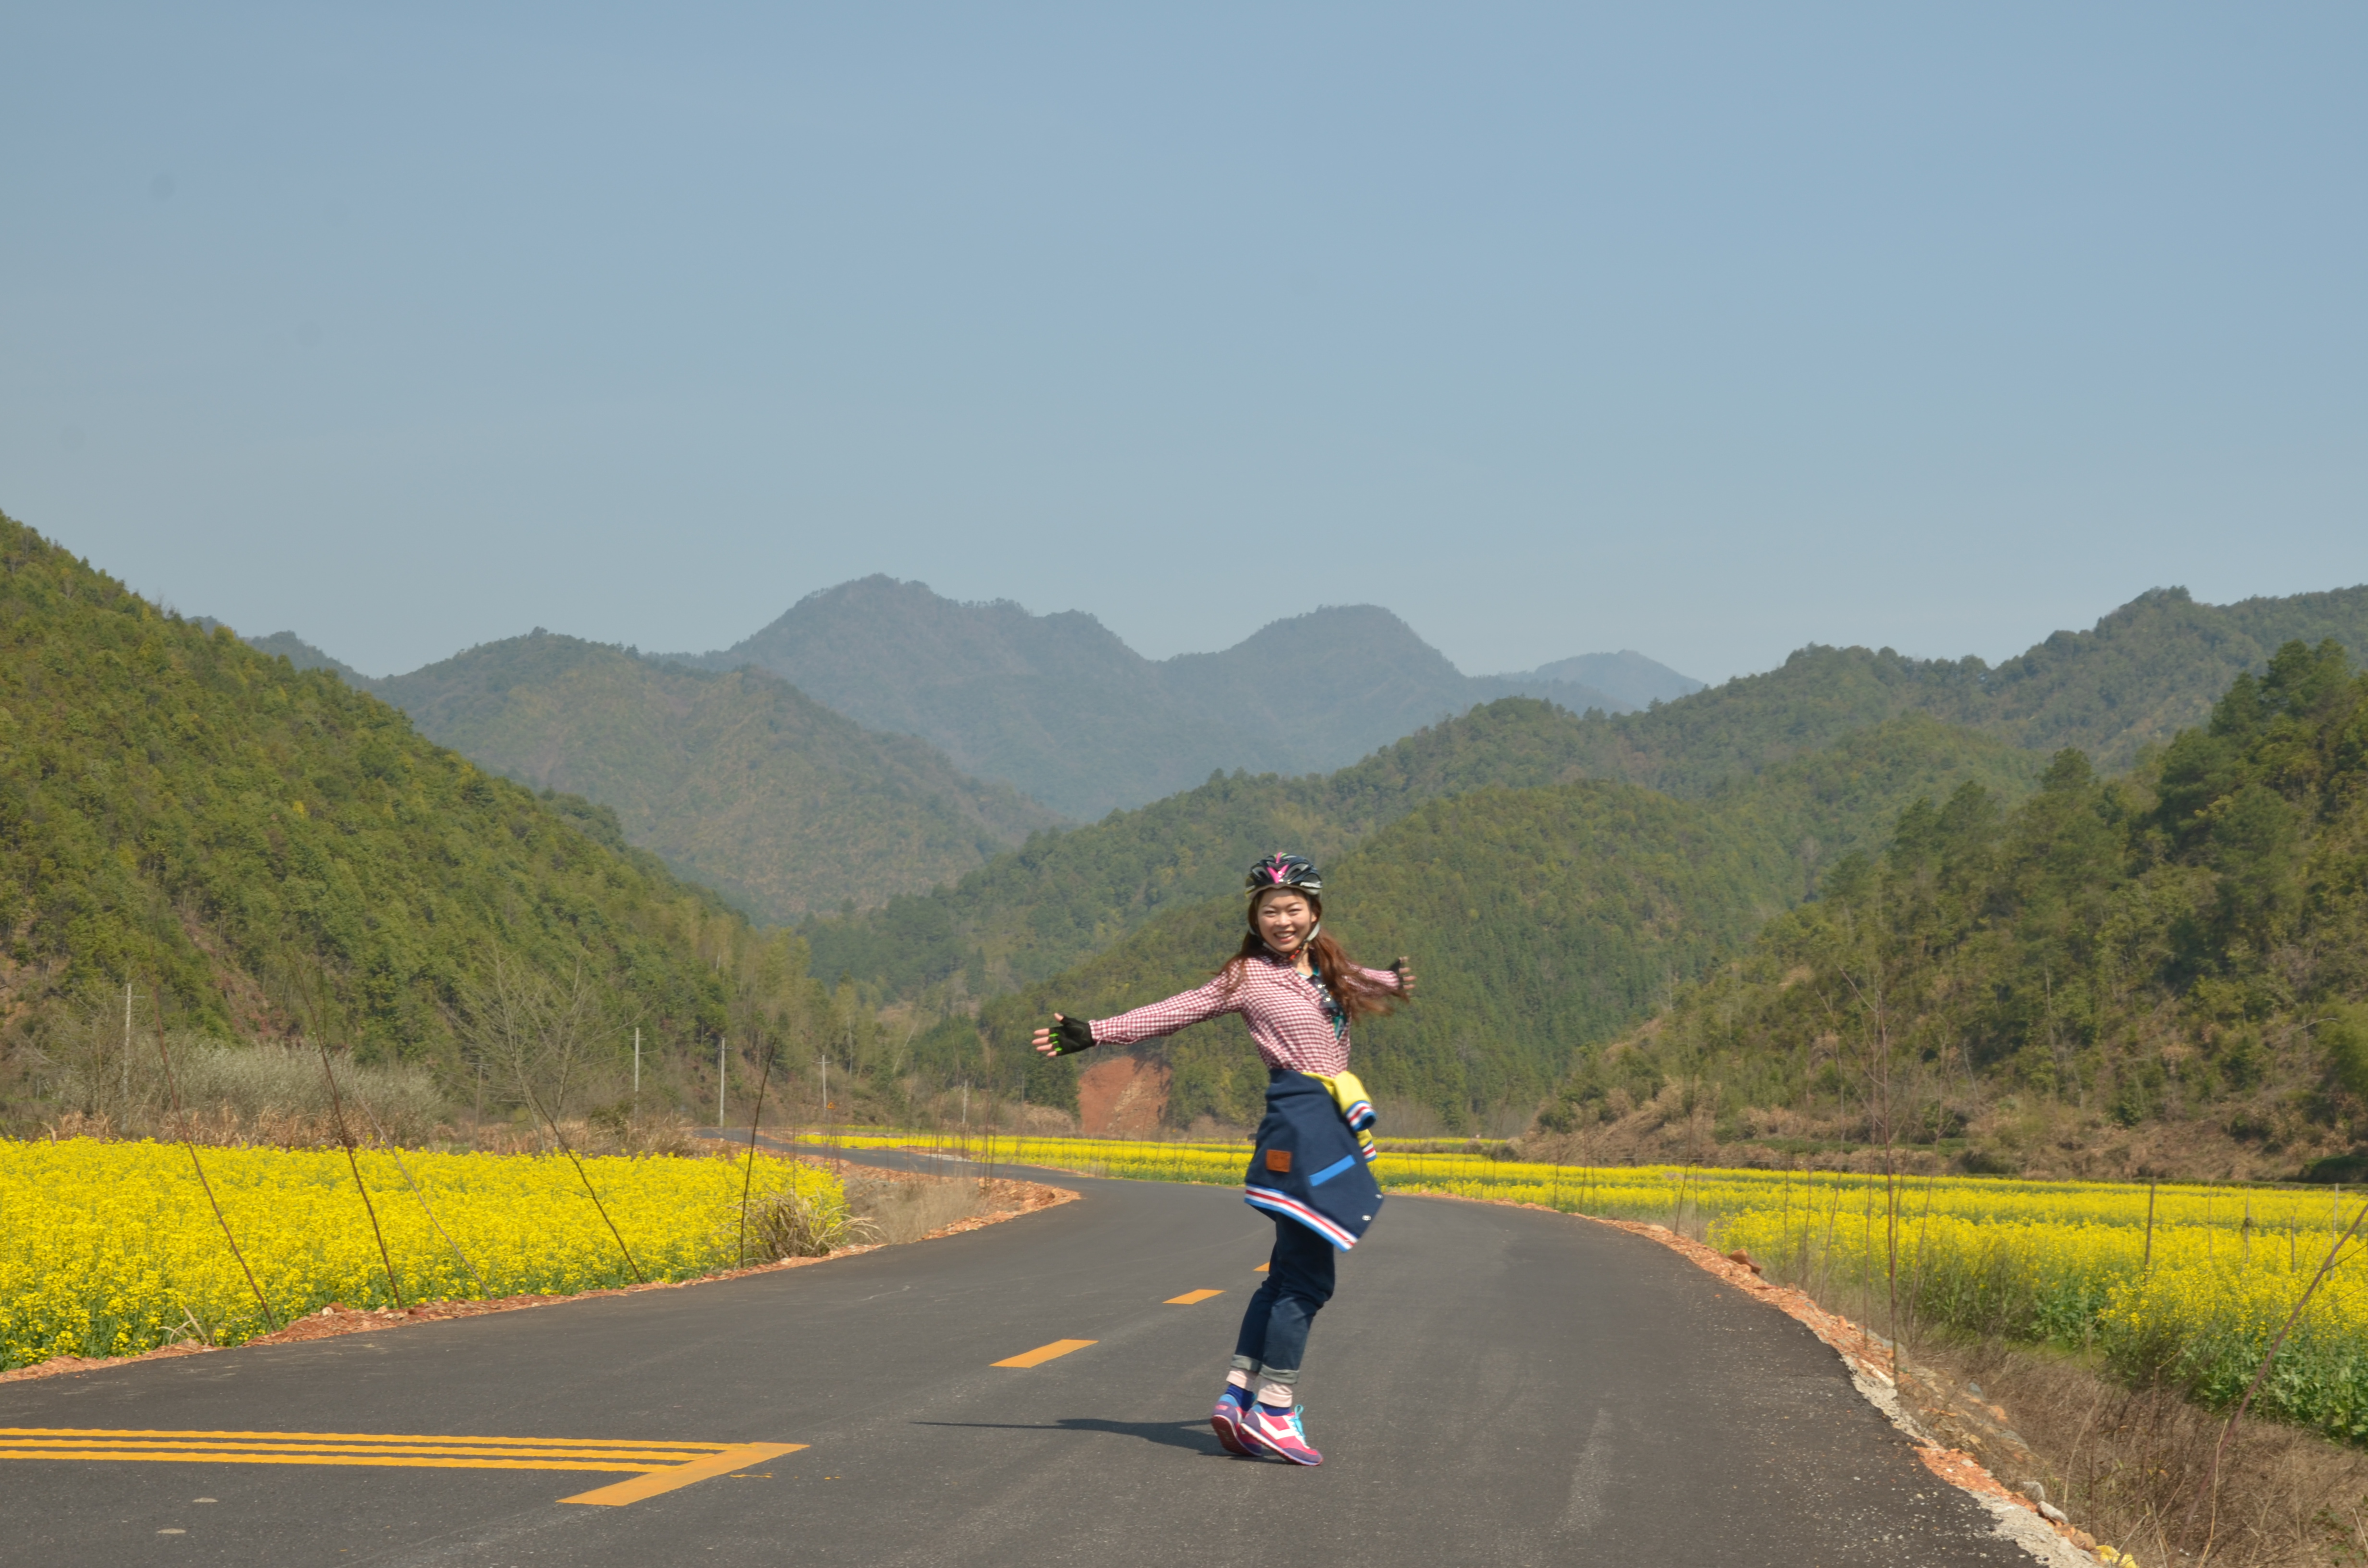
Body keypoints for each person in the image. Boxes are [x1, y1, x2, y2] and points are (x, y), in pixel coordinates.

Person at [1032, 853, 1414, 1467]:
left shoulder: (1326, 966)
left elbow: (1356, 981)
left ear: (1313, 913)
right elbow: (1177, 1009)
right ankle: (1275, 1410)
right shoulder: (1245, 978)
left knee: (1287, 1272)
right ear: (1254, 918)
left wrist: (1393, 980)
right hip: (1302, 1121)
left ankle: (1238, 1397)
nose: (1281, 921)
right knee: (1309, 1279)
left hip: (1325, 1120)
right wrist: (1098, 1031)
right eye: (1270, 912)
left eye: (1292, 909)